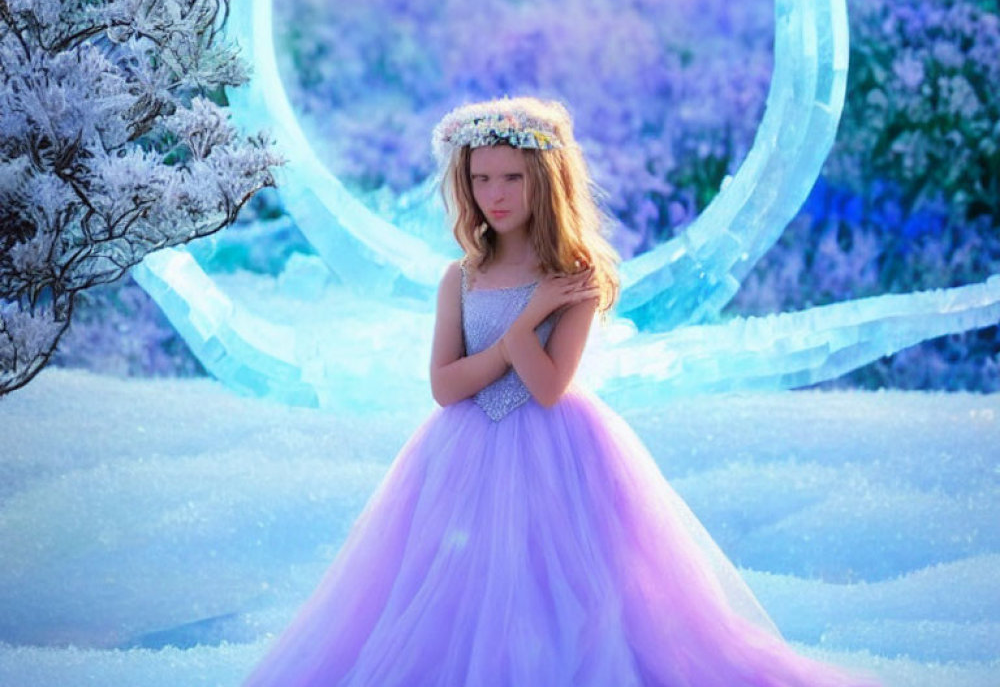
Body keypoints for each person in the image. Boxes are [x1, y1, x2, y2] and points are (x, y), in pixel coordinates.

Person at [241, 97, 882, 686]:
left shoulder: (575, 277)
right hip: (459, 453)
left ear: (545, 181)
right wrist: (525, 323)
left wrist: (525, 327)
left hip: (559, 453)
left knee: (562, 590)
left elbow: (548, 388)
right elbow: (444, 386)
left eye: (511, 178)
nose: (494, 193)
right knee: (452, 591)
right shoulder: (460, 277)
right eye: (480, 178)